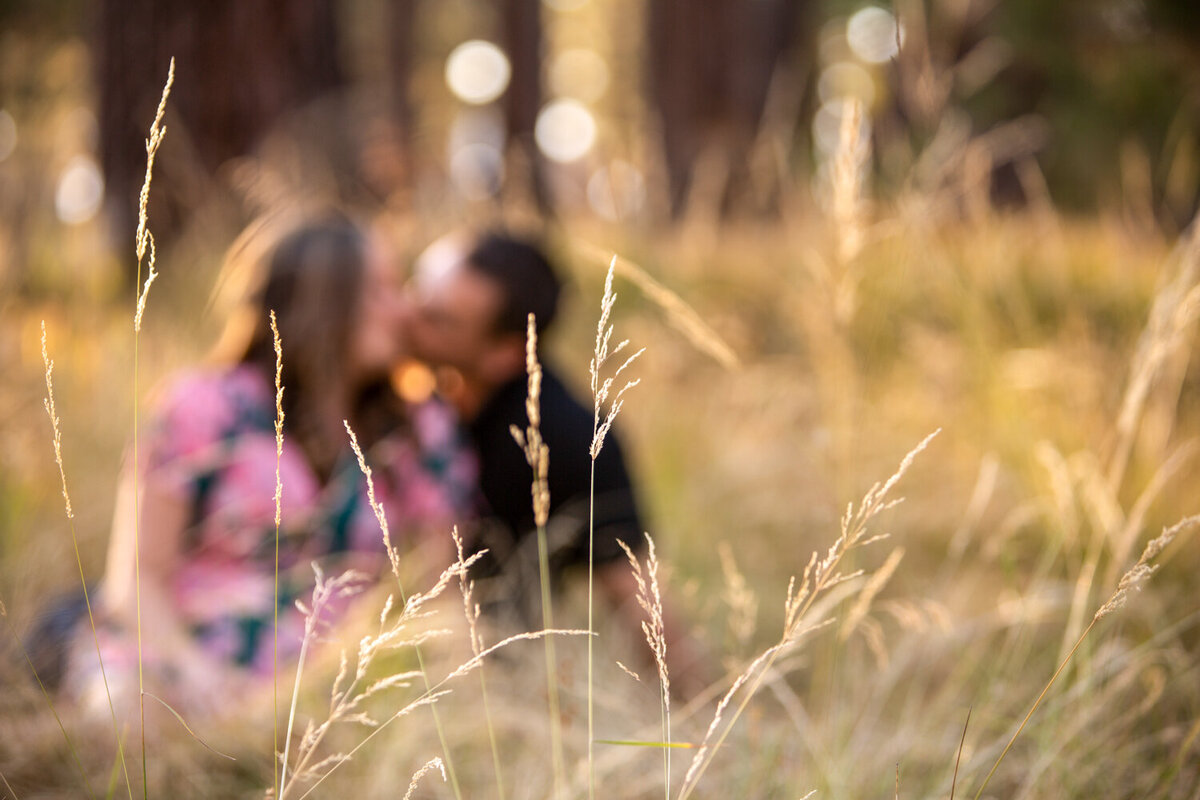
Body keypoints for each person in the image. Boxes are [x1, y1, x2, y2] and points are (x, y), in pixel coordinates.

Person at [63, 216, 476, 719]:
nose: (404, 309)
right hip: (184, 659)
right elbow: (136, 580)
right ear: (326, 304)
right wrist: (194, 673)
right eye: (383, 291)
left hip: (338, 683)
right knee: (125, 712)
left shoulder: (416, 427)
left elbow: (441, 586)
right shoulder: (201, 408)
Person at [402, 231, 707, 694]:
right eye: (418, 294)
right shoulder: (379, 392)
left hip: (480, 679)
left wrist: (707, 714)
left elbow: (637, 597)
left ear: (503, 354)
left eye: (439, 320)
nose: (408, 318)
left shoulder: (569, 438)